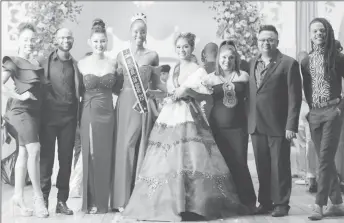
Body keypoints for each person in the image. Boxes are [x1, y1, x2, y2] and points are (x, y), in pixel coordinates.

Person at [116, 32, 248, 222]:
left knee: (192, 159)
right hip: (170, 115)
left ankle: (194, 204)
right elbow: (170, 93)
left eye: (185, 46)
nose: (182, 50)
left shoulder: (198, 69)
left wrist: (187, 91)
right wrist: (157, 93)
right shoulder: (174, 68)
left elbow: (204, 95)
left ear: (191, 48)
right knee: (168, 159)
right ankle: (171, 203)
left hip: (189, 115)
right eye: (178, 47)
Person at [110, 12, 166, 211]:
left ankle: (139, 196)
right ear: (130, 32)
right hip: (125, 104)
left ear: (146, 33)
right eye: (135, 31)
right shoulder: (121, 56)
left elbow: (159, 85)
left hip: (143, 106)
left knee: (141, 146)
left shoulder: (153, 55)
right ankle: (121, 199)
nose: (139, 35)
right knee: (124, 147)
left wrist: (157, 94)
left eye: (142, 31)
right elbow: (115, 83)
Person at [247, 25, 302, 217]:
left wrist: (291, 125)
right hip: (256, 125)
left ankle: (281, 204)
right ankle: (265, 202)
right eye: (262, 40)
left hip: (279, 125)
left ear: (277, 42)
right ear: (257, 41)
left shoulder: (288, 64)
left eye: (270, 39)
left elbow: (294, 98)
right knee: (262, 166)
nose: (265, 43)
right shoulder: (252, 62)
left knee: (280, 166)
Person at [2, 23, 49, 218]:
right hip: (20, 111)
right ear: (19, 41)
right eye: (26, 39)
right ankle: (38, 198)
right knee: (34, 149)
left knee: (22, 153)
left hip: (35, 112)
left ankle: (18, 196)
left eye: (32, 40)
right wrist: (20, 97)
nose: (29, 43)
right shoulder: (13, 61)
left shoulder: (36, 63)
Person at [78, 18, 123, 214]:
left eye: (103, 41)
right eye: (96, 41)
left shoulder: (114, 63)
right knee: (91, 155)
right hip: (88, 112)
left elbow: (119, 89)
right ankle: (92, 201)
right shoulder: (81, 63)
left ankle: (107, 200)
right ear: (90, 42)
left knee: (106, 155)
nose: (99, 45)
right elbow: (77, 91)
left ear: (107, 41)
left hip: (108, 113)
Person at [300, 18, 344, 220]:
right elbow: (307, 89)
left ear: (328, 34)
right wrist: (309, 111)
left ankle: (319, 205)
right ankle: (337, 203)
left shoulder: (338, 58)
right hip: (314, 114)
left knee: (324, 160)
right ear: (310, 35)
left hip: (332, 111)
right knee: (325, 160)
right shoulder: (305, 61)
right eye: (315, 31)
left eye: (322, 31)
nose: (319, 34)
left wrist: (339, 108)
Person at [206, 40, 256, 213]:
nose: (227, 61)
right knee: (221, 165)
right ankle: (226, 202)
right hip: (217, 128)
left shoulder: (244, 76)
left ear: (236, 59)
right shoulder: (210, 78)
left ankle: (248, 202)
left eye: (231, 58)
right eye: (224, 57)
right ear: (218, 58)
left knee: (240, 163)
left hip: (238, 128)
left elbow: (251, 102)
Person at [39, 28, 82, 215]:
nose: (66, 39)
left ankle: (61, 201)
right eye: (62, 36)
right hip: (48, 119)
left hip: (69, 119)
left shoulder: (76, 64)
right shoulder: (44, 61)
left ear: (73, 40)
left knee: (65, 161)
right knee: (46, 160)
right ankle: (43, 200)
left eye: (69, 37)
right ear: (56, 39)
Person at [293, 51, 318, 193]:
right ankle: (309, 175)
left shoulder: (299, 73)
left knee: (306, 144)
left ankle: (308, 175)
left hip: (305, 111)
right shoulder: (308, 73)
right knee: (307, 143)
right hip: (306, 111)